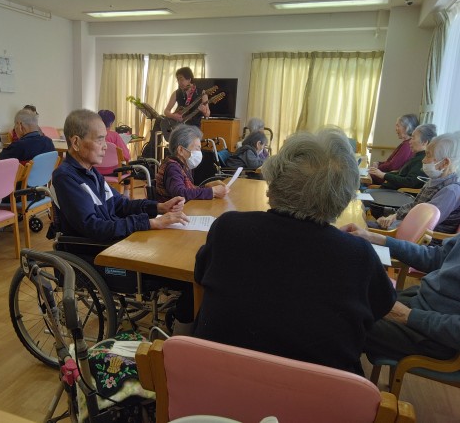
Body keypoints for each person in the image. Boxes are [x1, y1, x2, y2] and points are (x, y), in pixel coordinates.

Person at [192, 128, 396, 375]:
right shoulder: (358, 255)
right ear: (342, 199)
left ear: (272, 183)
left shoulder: (228, 228)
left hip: (217, 381)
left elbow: (200, 275)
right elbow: (380, 307)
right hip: (317, 392)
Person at [51, 109, 193, 329]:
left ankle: (185, 319)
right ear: (76, 142)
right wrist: (150, 223)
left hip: (115, 242)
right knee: (181, 272)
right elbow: (94, 227)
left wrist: (158, 207)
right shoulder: (65, 178)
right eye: (99, 139)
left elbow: (121, 204)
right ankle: (184, 323)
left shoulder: (91, 173)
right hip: (98, 251)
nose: (106, 146)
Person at [341, 224, 460, 363]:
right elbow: (436, 257)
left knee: (342, 322)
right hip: (419, 304)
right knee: (344, 298)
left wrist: (407, 315)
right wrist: (376, 238)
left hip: (436, 336)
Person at [374, 132, 460, 234]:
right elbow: (415, 206)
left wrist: (391, 224)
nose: (423, 160)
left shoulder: (450, 191)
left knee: (362, 232)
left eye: (428, 155)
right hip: (407, 230)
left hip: (421, 240)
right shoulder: (434, 181)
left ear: (445, 163)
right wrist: (394, 216)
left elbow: (421, 224)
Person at [155, 124, 229, 203]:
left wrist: (206, 187)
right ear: (180, 150)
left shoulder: (183, 165)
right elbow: (180, 194)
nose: (199, 153)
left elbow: (189, 191)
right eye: (197, 149)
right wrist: (212, 192)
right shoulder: (172, 168)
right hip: (174, 210)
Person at [369, 123, 437, 190]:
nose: (410, 141)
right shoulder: (417, 156)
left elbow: (409, 182)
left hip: (397, 194)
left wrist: (383, 175)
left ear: (424, 142)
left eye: (413, 138)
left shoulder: (423, 159)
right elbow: (401, 174)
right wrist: (381, 173)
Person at [370, 114, 419, 185]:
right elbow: (391, 162)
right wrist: (379, 163)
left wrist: (377, 168)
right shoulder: (406, 143)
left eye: (398, 126)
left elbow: (393, 166)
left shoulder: (407, 145)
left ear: (407, 128)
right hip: (389, 175)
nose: (396, 129)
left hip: (390, 178)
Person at [96, 109, 131, 175]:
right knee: (130, 169)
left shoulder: (91, 135)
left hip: (95, 171)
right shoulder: (114, 136)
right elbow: (126, 156)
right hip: (114, 171)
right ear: (110, 123)